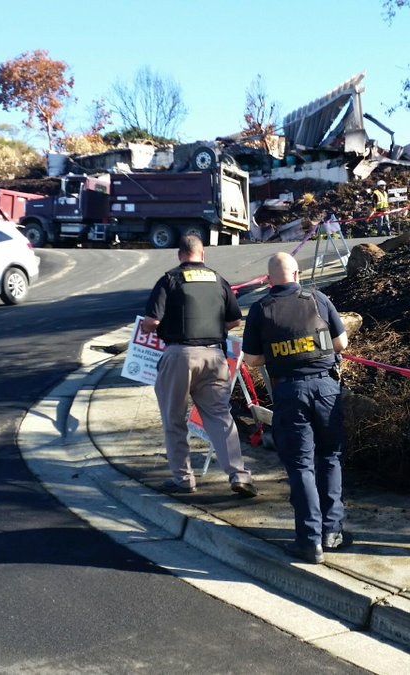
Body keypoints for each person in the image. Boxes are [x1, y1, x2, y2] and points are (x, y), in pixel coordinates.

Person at [242, 252, 349, 564]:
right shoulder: (317, 298)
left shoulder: (261, 309)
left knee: (301, 465)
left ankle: (309, 541)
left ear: (268, 279)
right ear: (297, 274)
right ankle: (332, 531)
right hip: (327, 388)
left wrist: (280, 354)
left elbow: (252, 359)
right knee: (330, 457)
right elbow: (341, 342)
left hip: (290, 391)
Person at [142, 234, 257, 498]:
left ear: (180, 255)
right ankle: (239, 476)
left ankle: (184, 480)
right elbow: (233, 322)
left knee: (174, 420)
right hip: (215, 358)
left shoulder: (169, 280)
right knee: (220, 418)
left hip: (179, 356)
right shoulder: (218, 279)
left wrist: (152, 326)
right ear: (202, 255)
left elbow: (152, 322)